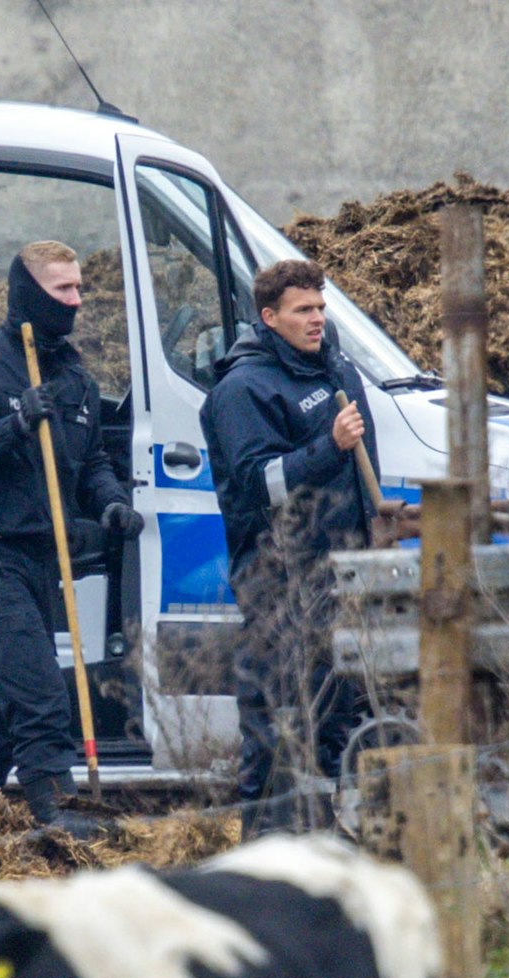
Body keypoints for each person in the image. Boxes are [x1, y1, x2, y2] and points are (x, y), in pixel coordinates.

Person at [0, 240, 142, 832]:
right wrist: (16, 422)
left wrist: (112, 503)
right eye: (63, 291)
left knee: (3, 709)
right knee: (40, 693)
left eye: (79, 289)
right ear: (28, 293)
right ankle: (58, 814)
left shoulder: (74, 376)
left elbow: (93, 458)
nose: (76, 300)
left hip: (41, 560)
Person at [201, 258, 378, 833]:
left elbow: (360, 478)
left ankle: (326, 839)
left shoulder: (338, 372)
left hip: (341, 572)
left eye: (322, 308)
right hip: (278, 577)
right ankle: (261, 843)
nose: (317, 319)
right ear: (269, 317)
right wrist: (328, 444)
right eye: (304, 310)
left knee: (335, 716)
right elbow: (260, 486)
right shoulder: (241, 391)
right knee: (277, 719)